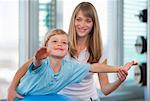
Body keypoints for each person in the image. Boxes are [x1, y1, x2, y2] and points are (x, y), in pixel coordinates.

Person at [7, 2, 131, 101]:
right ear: (73, 21)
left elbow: (104, 87)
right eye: (79, 19)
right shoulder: (61, 46)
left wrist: (120, 76)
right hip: (61, 98)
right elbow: (30, 64)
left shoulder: (98, 51)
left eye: (88, 21)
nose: (82, 25)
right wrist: (11, 89)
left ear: (94, 24)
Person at [9, 29, 136, 101]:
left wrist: (119, 68)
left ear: (68, 49)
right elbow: (36, 64)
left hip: (46, 97)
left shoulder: (70, 67)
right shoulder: (42, 63)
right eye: (54, 41)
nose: (60, 44)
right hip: (23, 97)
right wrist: (37, 58)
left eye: (64, 42)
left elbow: (94, 67)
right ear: (46, 46)